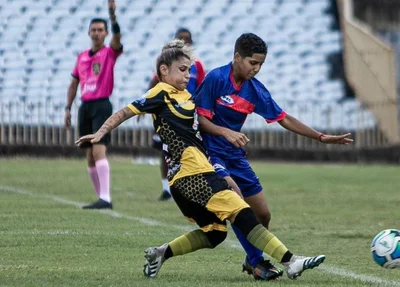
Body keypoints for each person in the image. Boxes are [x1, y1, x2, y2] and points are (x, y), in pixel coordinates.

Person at [75, 39, 326, 281]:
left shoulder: (186, 97)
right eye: (182, 70)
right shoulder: (160, 92)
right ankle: (290, 261)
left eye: (189, 71)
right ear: (164, 70)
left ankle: (161, 253)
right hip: (190, 174)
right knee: (242, 211)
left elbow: (204, 124)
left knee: (215, 233)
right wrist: (101, 132)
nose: (188, 76)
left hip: (194, 174)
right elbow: (125, 111)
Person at [194, 33, 352, 280]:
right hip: (211, 154)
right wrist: (225, 132)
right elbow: (200, 120)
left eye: (261, 65)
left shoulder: (254, 90)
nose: (256, 69)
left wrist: (321, 137)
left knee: (263, 214)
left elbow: (284, 118)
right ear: (237, 57)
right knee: (237, 205)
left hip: (235, 157)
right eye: (253, 63)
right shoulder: (215, 78)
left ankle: (251, 259)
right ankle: (258, 263)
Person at [65, 0, 123, 209]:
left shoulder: (109, 52)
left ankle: (105, 198)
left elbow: (118, 38)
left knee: (99, 150)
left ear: (106, 33)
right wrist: (67, 108)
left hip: (101, 105)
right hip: (85, 106)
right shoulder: (81, 56)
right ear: (89, 32)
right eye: (94, 30)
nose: (97, 33)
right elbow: (73, 83)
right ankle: (101, 197)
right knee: (89, 154)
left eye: (100, 30)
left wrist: (112, 15)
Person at [146, 28, 205, 201]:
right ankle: (166, 189)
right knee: (165, 150)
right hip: (167, 112)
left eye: (187, 40)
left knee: (191, 150)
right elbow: (154, 82)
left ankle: (189, 188)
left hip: (187, 114)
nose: (185, 42)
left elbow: (202, 88)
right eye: (181, 39)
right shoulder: (167, 63)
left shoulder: (197, 66)